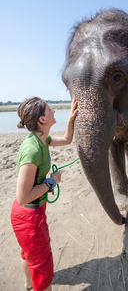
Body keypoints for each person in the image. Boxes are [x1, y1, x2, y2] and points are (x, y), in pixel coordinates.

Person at [11, 97, 78, 291]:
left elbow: (66, 140)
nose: (54, 111)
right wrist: (51, 182)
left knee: (28, 254)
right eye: (50, 109)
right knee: (42, 266)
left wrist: (71, 119)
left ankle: (28, 283)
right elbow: (22, 196)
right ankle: (37, 285)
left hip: (30, 213)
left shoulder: (42, 139)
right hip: (29, 216)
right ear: (42, 119)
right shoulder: (32, 150)